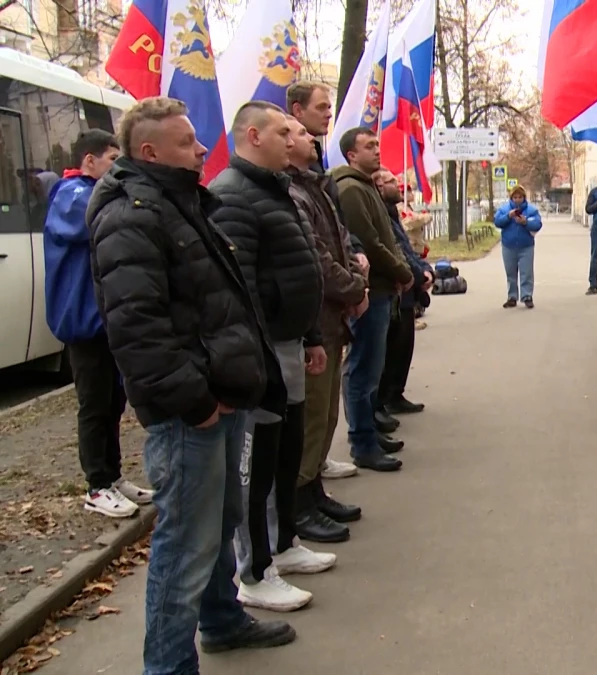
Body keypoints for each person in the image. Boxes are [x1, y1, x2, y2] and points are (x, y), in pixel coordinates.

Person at [88, 96, 293, 670]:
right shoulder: (131, 213)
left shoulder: (180, 202)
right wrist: (195, 400)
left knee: (219, 525)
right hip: (191, 413)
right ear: (150, 151)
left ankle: (223, 621)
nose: (202, 149)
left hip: (220, 400)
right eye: (186, 142)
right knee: (184, 546)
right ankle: (170, 666)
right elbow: (136, 328)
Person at [208, 101, 326, 613]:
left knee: (285, 450)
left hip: (289, 341)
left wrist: (311, 334)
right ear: (253, 136)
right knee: (255, 468)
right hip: (262, 351)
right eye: (283, 131)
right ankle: (254, 571)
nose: (295, 139)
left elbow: (300, 269)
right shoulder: (233, 195)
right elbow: (243, 287)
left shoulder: (277, 190)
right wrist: (257, 355)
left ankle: (283, 543)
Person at [44, 129, 153, 519]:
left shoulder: (94, 192)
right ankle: (96, 485)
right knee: (94, 404)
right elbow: (93, 219)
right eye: (110, 159)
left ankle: (112, 475)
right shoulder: (70, 194)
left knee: (113, 401)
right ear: (89, 161)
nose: (116, 167)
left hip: (106, 319)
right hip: (83, 322)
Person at [285, 117, 367, 544]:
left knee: (324, 415)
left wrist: (354, 273)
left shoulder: (313, 185)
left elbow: (340, 240)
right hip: (314, 318)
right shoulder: (291, 192)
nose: (310, 140)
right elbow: (314, 256)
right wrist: (354, 285)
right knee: (312, 419)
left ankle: (313, 491)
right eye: (296, 133)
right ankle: (300, 503)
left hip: (329, 319)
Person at [333, 127, 411, 472]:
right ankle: (362, 442)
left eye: (377, 144)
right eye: (369, 146)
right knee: (362, 368)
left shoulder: (364, 186)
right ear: (351, 154)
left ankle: (370, 431)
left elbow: (386, 238)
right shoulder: (350, 188)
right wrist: (402, 272)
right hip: (371, 290)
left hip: (382, 288)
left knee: (371, 367)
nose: (377, 150)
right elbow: (370, 242)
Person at [376, 169, 436, 419]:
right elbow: (392, 251)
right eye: (391, 182)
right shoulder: (379, 214)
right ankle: (383, 401)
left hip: (409, 288)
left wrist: (425, 270)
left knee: (404, 348)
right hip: (396, 288)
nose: (399, 185)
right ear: (379, 187)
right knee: (391, 350)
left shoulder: (391, 213)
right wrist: (415, 274)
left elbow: (407, 249)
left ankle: (395, 395)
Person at [494, 184, 543, 308]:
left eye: (520, 197)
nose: (517, 200)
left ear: (524, 198)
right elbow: (497, 222)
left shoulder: (531, 210)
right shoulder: (504, 209)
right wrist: (508, 216)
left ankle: (527, 295)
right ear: (511, 198)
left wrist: (525, 222)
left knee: (526, 272)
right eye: (515, 197)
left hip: (526, 246)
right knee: (510, 272)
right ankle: (512, 296)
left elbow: (537, 224)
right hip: (508, 246)